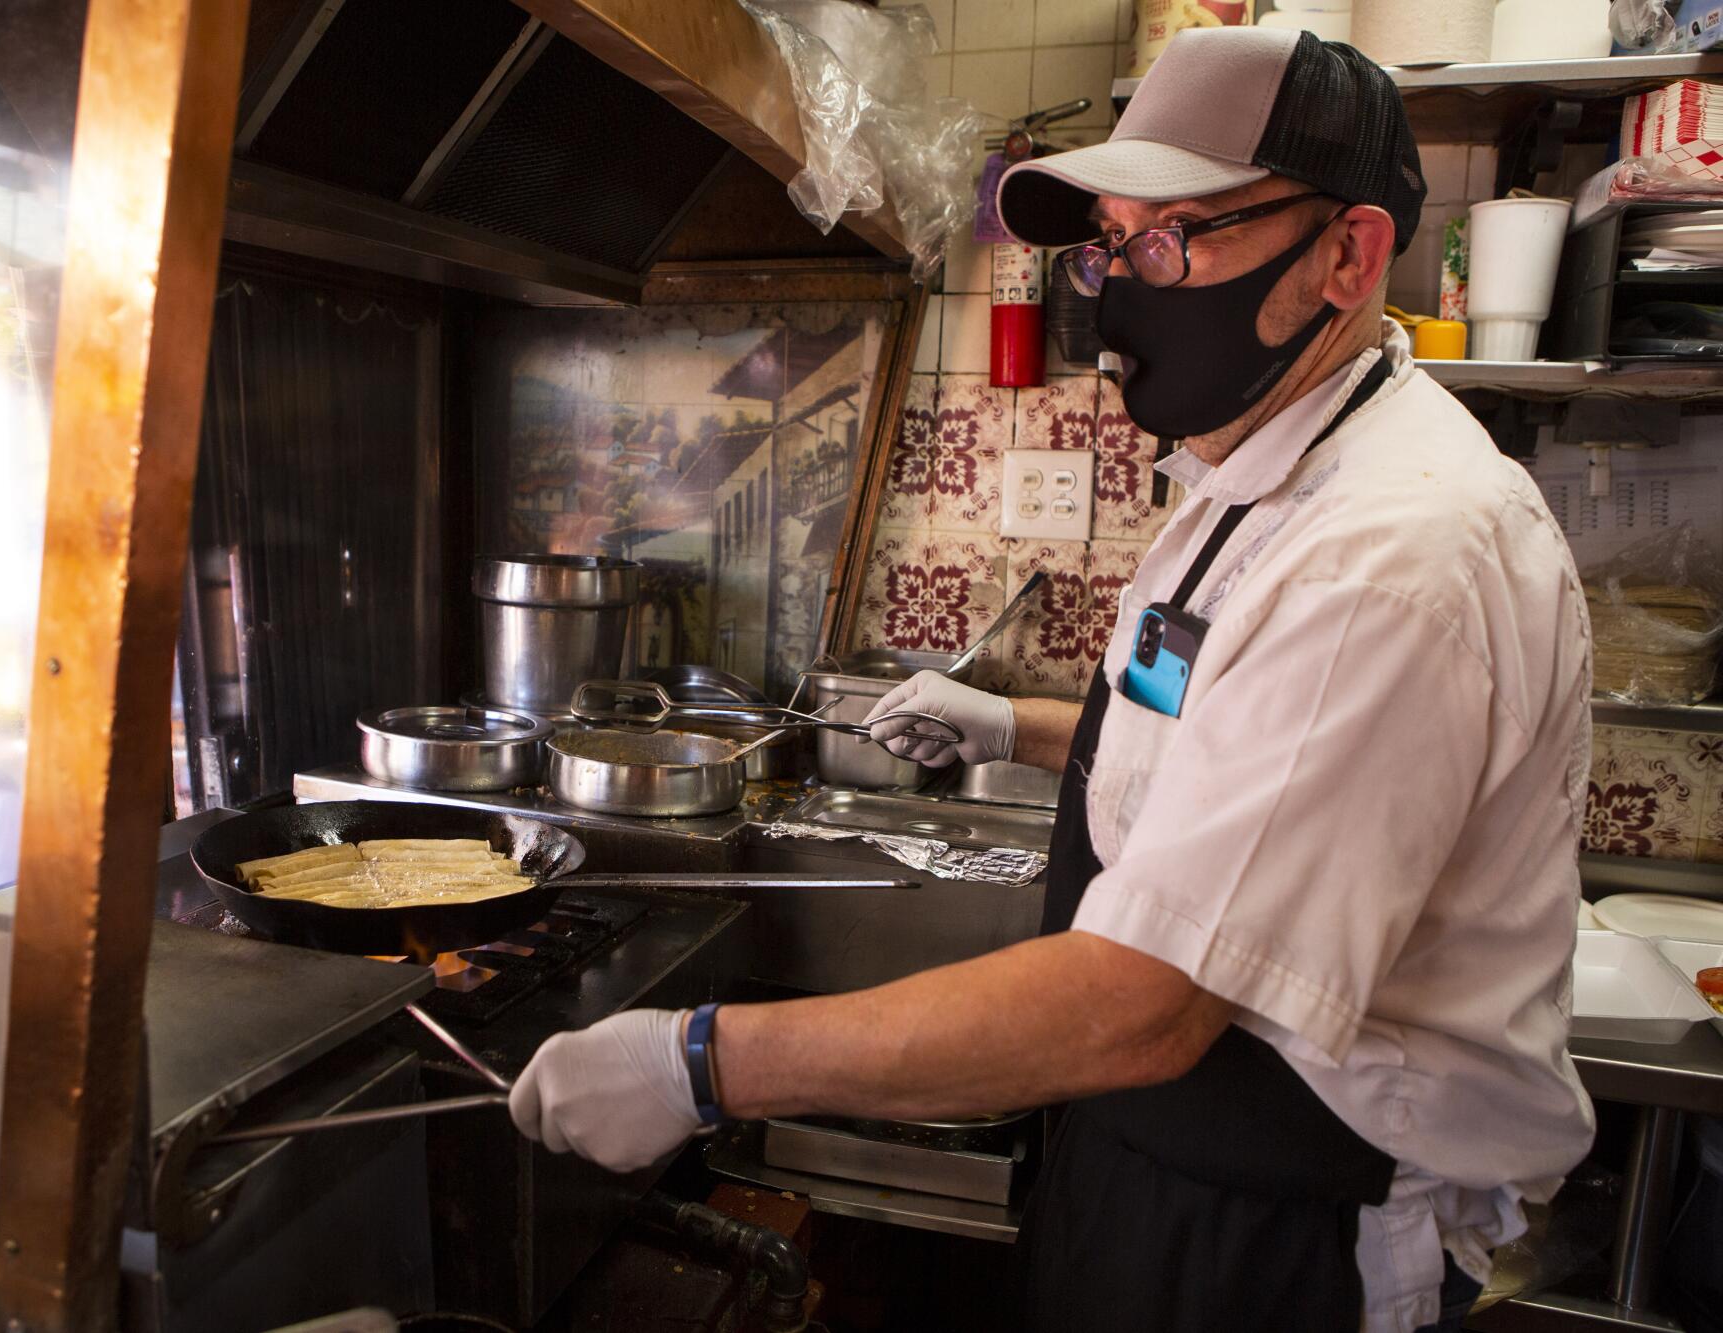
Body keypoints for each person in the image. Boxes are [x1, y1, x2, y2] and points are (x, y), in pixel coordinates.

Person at [506, 28, 1595, 1332]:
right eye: (1111, 244)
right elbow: (1217, 728)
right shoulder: (1252, 473)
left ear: (1350, 256)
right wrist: (1009, 724)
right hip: (1153, 1151)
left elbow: (1141, 1006)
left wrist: (707, 1063)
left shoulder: (1391, 554)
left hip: (1297, 1225)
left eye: (1169, 239)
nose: (1124, 290)